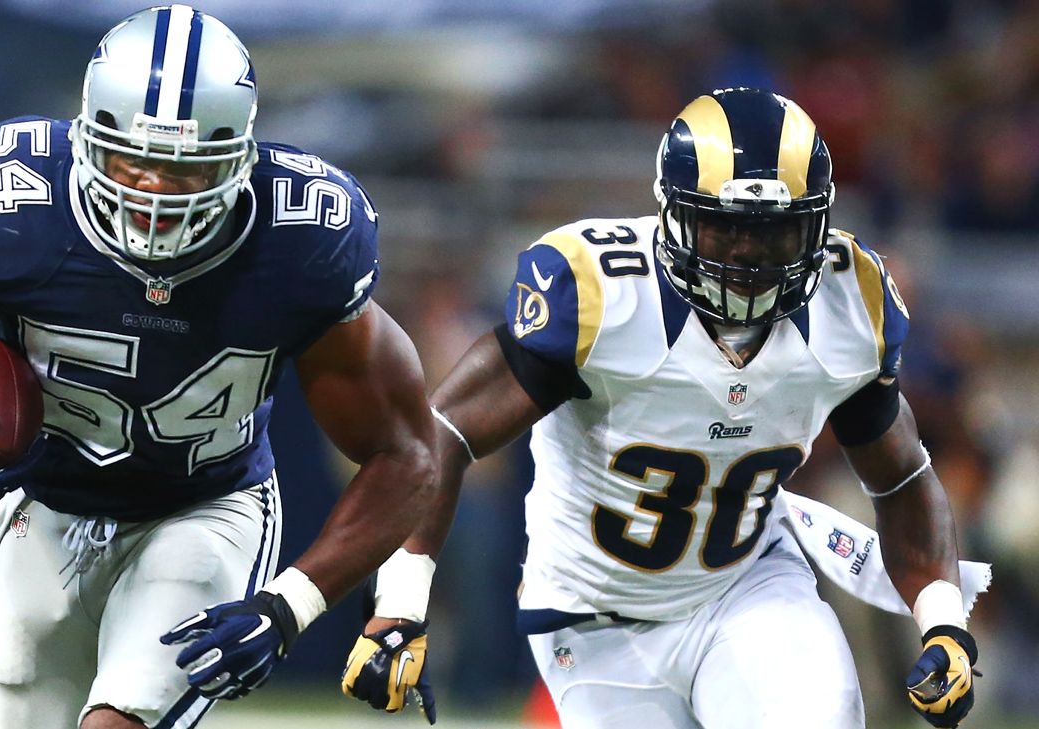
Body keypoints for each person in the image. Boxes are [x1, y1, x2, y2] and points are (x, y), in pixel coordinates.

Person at [0, 6, 437, 728]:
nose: (153, 189)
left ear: (238, 157)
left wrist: (289, 605)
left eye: (185, 168)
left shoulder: (302, 241)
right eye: (131, 160)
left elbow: (405, 453)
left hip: (205, 506)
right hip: (45, 503)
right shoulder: (15, 207)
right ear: (88, 139)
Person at [342, 87, 986, 729]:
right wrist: (400, 606)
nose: (747, 254)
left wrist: (944, 623)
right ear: (673, 215)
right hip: (595, 618)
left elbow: (902, 475)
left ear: (815, 227)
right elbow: (444, 433)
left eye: (774, 231)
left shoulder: (850, 301)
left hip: (747, 586)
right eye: (724, 226)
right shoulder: (601, 294)